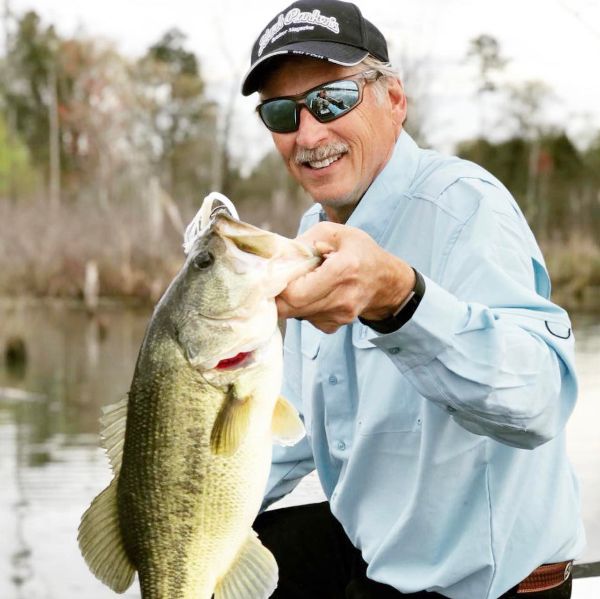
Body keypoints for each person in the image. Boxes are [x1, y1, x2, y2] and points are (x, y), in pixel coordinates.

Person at [241, 1, 584, 597]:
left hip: (490, 584)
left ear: (394, 100)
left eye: (332, 99)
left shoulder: (465, 204)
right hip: (376, 555)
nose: (310, 134)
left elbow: (539, 402)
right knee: (210, 560)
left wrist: (399, 298)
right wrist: (176, 497)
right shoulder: (309, 236)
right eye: (282, 112)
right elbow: (290, 430)